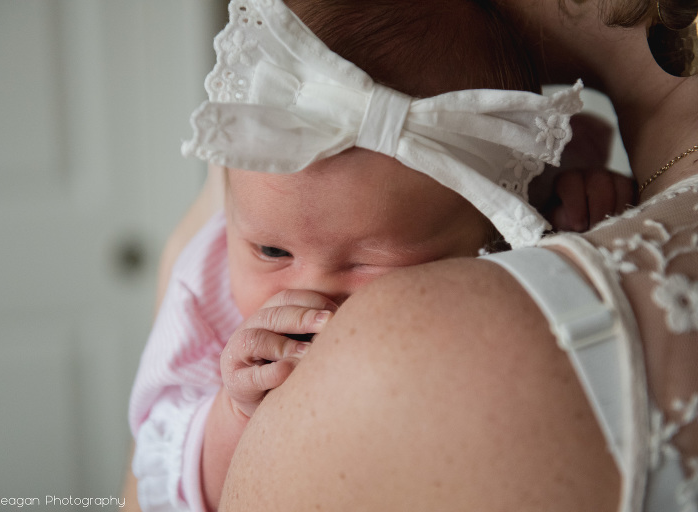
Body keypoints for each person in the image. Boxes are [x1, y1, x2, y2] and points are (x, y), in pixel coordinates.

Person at [124, 0, 639, 510]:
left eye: (369, 262)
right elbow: (157, 476)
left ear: (495, 225)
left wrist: (582, 205)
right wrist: (233, 416)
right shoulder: (203, 289)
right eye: (271, 250)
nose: (309, 288)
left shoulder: (510, 225)